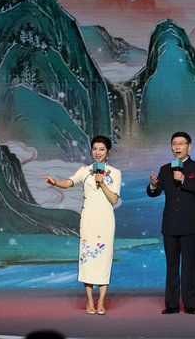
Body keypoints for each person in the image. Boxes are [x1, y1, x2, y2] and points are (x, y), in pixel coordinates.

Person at [43, 135, 121, 315]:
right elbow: (69, 182)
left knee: (104, 259)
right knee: (88, 260)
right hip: (88, 220)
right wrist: (55, 183)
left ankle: (101, 302)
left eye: (101, 149)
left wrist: (102, 184)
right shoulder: (85, 171)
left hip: (106, 221)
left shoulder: (115, 173)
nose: (97, 152)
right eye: (95, 149)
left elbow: (114, 200)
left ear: (108, 151)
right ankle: (90, 301)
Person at [147, 132, 195, 315]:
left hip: (191, 224)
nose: (178, 147)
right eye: (174, 144)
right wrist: (153, 186)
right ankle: (171, 305)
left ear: (189, 146)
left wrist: (184, 180)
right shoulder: (165, 169)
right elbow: (155, 192)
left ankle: (190, 305)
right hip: (170, 224)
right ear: (171, 147)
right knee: (171, 266)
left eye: (181, 143)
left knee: (190, 266)